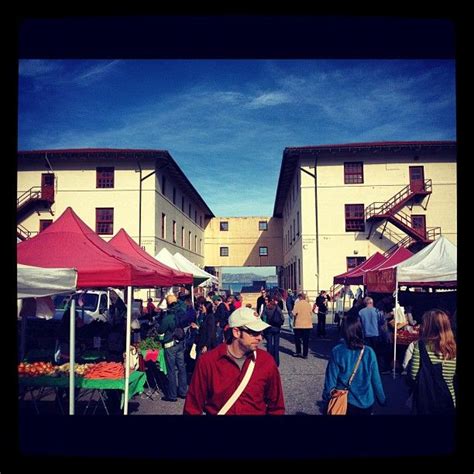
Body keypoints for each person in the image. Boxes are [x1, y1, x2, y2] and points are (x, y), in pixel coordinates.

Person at [183, 306, 285, 415]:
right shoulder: (208, 362)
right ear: (236, 332)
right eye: (254, 332)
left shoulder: (266, 361)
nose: (260, 338)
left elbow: (276, 406)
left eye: (261, 332)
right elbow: (192, 407)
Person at [322, 315, 386, 415]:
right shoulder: (369, 352)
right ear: (360, 330)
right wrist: (382, 399)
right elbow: (376, 380)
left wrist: (327, 398)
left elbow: (330, 380)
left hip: (344, 400)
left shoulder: (337, 351)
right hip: (365, 401)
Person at [407, 309, 456, 414]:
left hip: (425, 400)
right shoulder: (454, 349)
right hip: (449, 399)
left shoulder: (420, 346)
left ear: (428, 327)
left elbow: (413, 375)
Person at [156, 294, 188, 402]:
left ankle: (172, 395)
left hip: (170, 345)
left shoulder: (168, 317)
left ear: (168, 304)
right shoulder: (182, 312)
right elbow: (182, 304)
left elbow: (161, 331)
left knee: (171, 370)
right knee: (181, 368)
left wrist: (160, 339)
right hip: (180, 343)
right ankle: (183, 392)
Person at [358, 296, 387, 371]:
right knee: (378, 353)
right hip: (376, 334)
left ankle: (368, 367)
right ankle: (380, 368)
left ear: (365, 303)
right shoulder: (377, 311)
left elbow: (359, 324)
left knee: (367, 353)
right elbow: (382, 323)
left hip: (366, 335)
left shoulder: (361, 312)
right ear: (372, 303)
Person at [261, 298, 284, 366]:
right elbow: (282, 318)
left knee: (269, 344)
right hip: (276, 328)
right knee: (276, 345)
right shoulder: (277, 308)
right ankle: (276, 362)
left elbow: (263, 317)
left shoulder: (266, 308)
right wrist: (280, 323)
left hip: (268, 328)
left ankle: (269, 360)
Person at [292, 292, 313, 358]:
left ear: (300, 297)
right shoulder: (308, 304)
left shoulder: (297, 304)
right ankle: (305, 354)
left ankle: (298, 352)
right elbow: (311, 313)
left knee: (297, 339)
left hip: (299, 324)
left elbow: (294, 313)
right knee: (306, 340)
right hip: (307, 325)